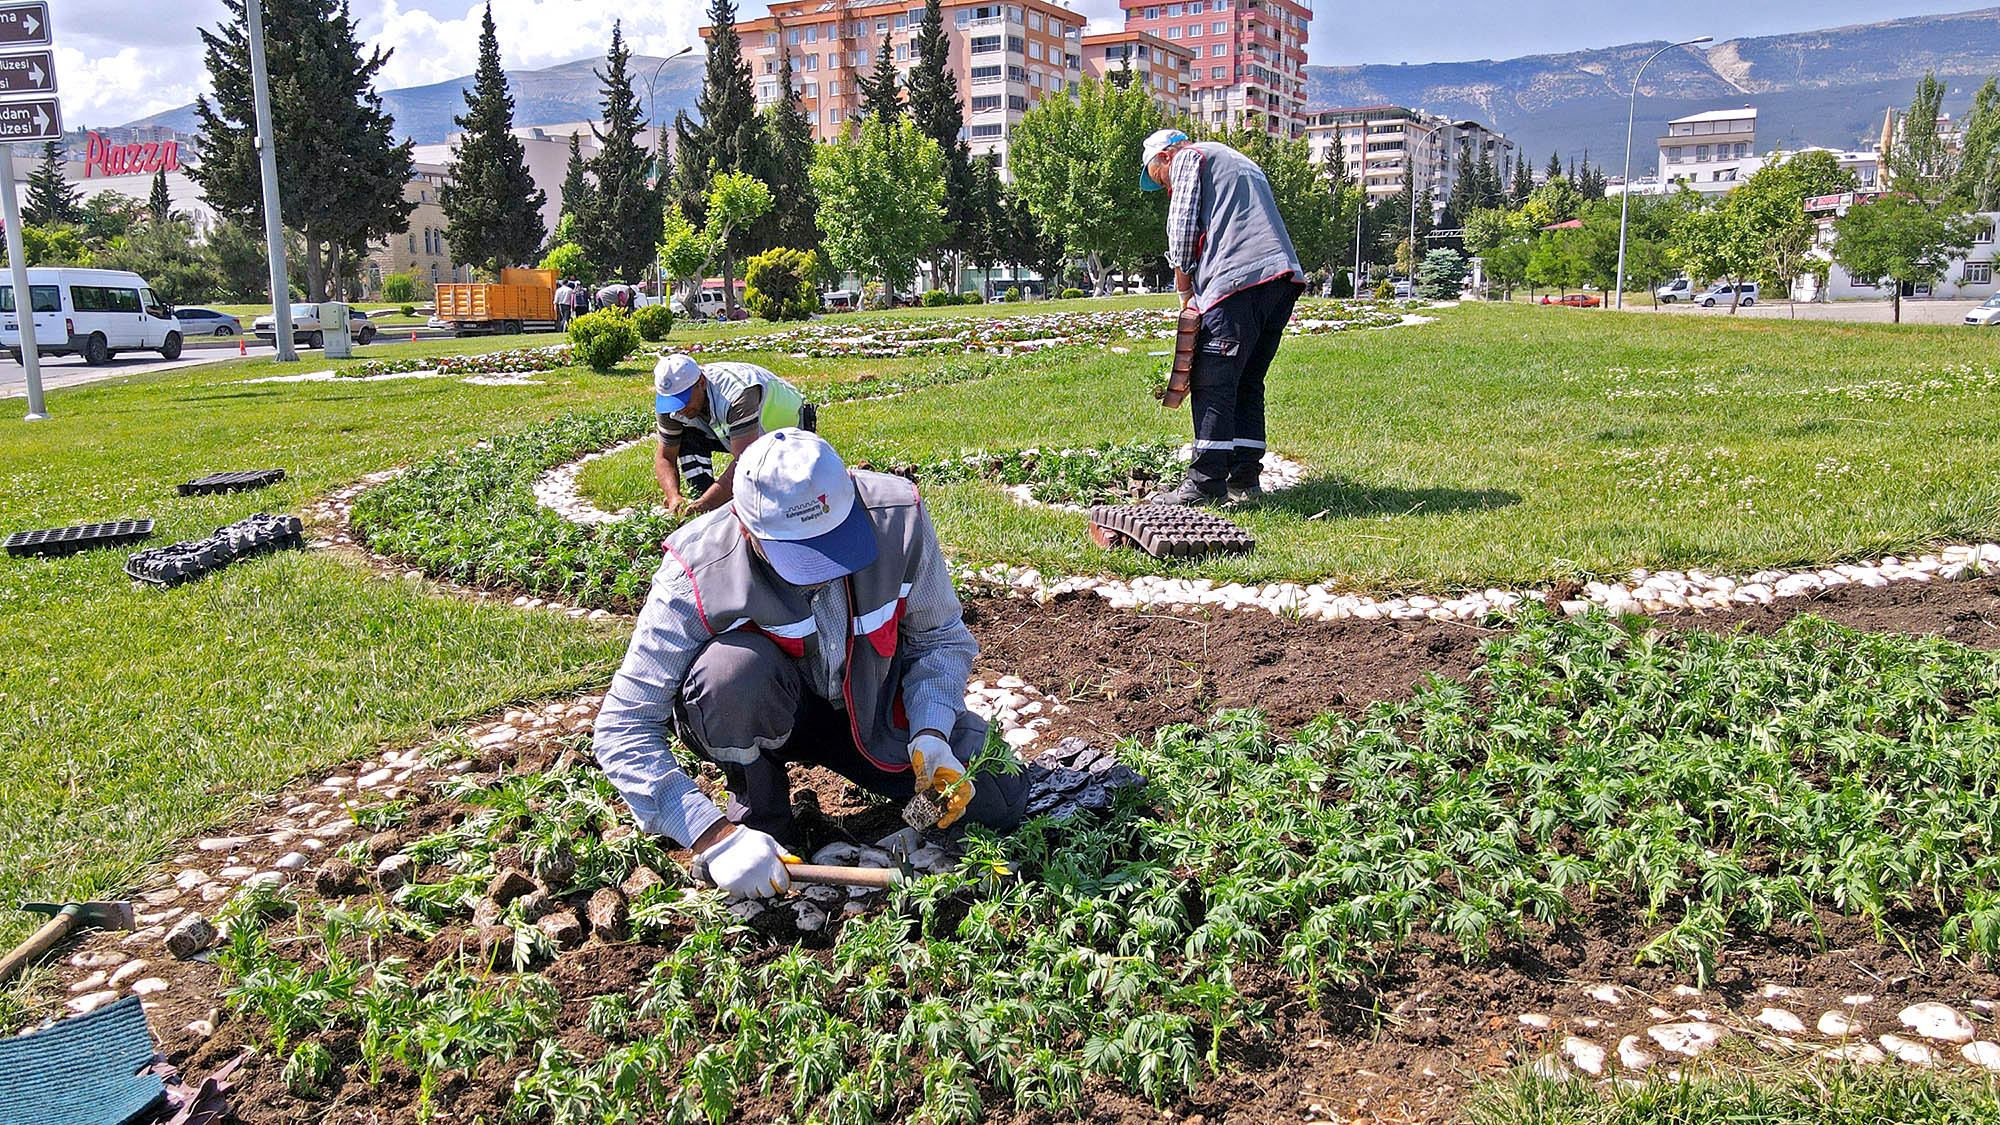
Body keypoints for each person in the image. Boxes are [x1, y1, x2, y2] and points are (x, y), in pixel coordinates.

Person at [593, 429, 1028, 898]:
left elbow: (939, 637)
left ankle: (907, 813)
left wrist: (931, 731)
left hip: (872, 713)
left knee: (999, 790)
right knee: (730, 676)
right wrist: (711, 837)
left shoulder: (898, 518)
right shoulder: (698, 567)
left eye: (836, 544)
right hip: (767, 716)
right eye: (801, 556)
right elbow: (624, 725)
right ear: (746, 527)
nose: (826, 570)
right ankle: (761, 817)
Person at [1139, 128, 1306, 505]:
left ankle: (1204, 484)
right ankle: (1244, 478)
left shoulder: (1188, 158)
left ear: (1165, 157)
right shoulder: (1238, 161)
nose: (1163, 188)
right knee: (1247, 380)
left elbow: (1182, 232)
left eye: (1158, 178)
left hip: (1236, 282)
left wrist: (1185, 292)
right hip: (1280, 279)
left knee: (1213, 378)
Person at [652, 353, 819, 516]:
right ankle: (702, 494)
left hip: (786, 428)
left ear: (701, 382)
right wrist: (674, 497)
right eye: (673, 402)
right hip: (734, 433)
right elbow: (665, 456)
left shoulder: (739, 394)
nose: (679, 409)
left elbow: (745, 462)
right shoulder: (670, 405)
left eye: (683, 399)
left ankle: (708, 504)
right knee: (687, 436)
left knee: (782, 496)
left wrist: (708, 503)